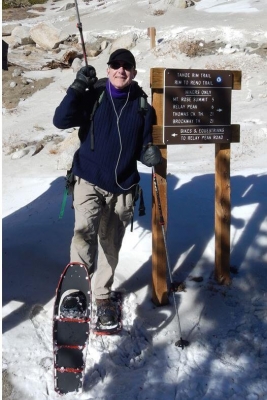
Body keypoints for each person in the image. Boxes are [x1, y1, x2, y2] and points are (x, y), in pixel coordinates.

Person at [53, 48, 161, 328]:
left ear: (134, 72)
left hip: (123, 186)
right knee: (83, 234)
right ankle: (76, 294)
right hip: (87, 178)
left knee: (111, 243)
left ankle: (102, 296)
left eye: (127, 66)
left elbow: (141, 144)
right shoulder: (93, 96)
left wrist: (147, 154)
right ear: (108, 68)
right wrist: (77, 88)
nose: (121, 70)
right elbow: (60, 120)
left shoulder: (142, 107)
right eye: (116, 65)